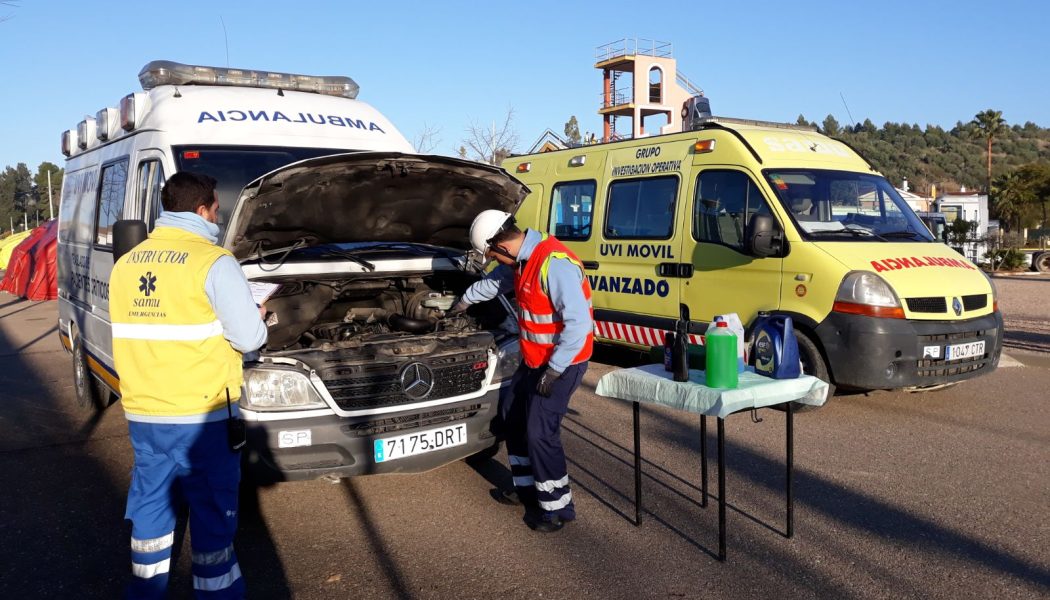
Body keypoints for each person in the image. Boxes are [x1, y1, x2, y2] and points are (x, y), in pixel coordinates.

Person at [109, 172, 267, 598]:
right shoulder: (213, 261)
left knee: (151, 517)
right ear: (202, 210)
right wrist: (257, 313)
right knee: (213, 523)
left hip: (144, 414)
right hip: (203, 418)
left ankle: (145, 591)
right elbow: (249, 339)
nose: (219, 217)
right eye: (217, 210)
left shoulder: (126, 264)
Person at [453, 210, 594, 533]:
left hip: (563, 363)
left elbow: (578, 324)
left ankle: (557, 508)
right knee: (512, 417)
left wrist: (554, 371)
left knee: (540, 433)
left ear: (500, 246)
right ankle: (528, 489)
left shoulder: (553, 264)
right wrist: (461, 304)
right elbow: (492, 285)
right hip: (535, 361)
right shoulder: (520, 262)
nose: (493, 262)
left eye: (491, 255)